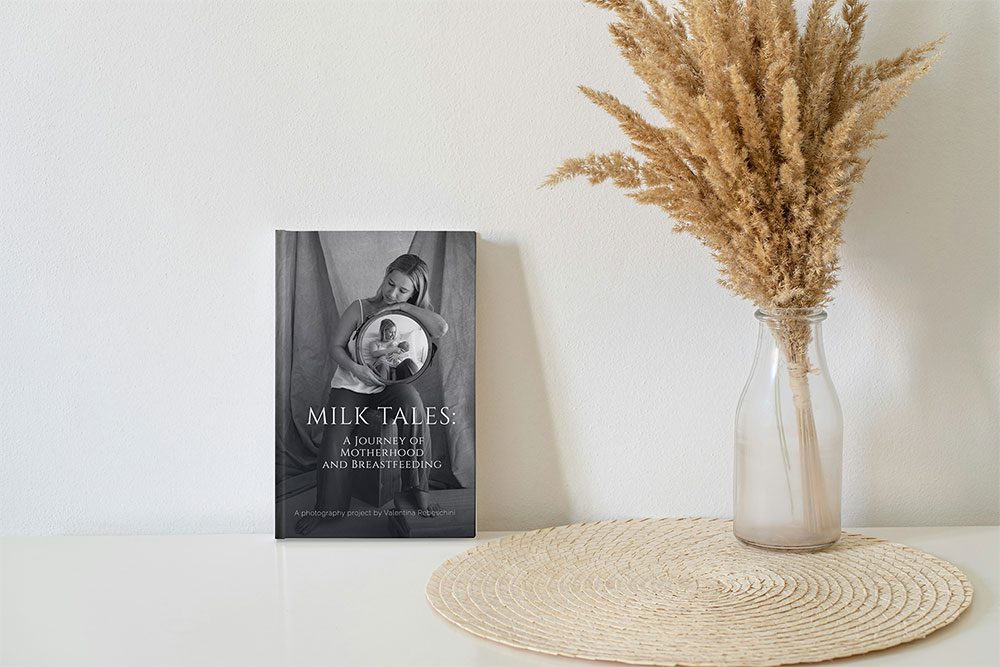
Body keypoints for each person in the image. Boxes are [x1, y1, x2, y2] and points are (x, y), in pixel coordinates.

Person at [295, 254, 448, 536]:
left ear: (415, 293)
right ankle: (326, 509)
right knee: (334, 440)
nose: (392, 293)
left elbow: (441, 328)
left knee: (413, 404)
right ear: (385, 275)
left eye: (403, 290)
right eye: (390, 284)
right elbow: (336, 347)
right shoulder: (361, 307)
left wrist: (403, 307)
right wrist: (356, 369)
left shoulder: (411, 314)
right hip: (352, 384)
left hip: (389, 386)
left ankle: (419, 490)